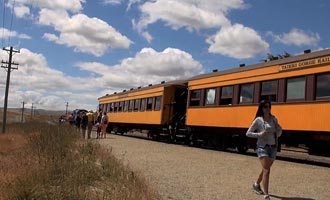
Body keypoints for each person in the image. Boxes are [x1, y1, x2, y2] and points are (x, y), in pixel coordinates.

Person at [246, 100, 282, 200]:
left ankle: (256, 184)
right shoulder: (258, 120)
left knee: (265, 169)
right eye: (265, 107)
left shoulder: (274, 119)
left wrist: (278, 131)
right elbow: (248, 133)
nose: (268, 109)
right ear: (262, 108)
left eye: (269, 107)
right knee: (267, 170)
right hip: (262, 147)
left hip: (273, 147)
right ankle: (266, 195)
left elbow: (279, 131)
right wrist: (259, 134)